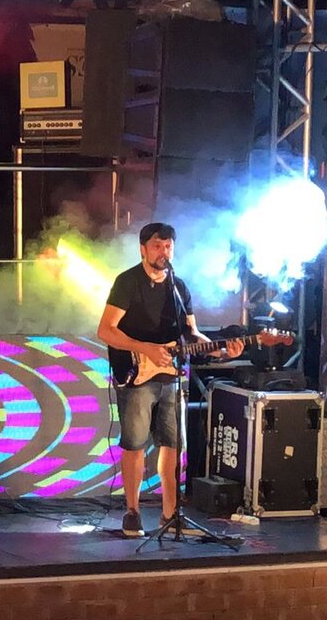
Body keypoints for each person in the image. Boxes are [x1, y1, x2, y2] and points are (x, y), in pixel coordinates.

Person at [96, 222, 242, 538]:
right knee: (135, 444)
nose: (163, 252)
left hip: (172, 376)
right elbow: (106, 330)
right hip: (136, 374)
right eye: (157, 246)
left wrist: (220, 351)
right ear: (143, 249)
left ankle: (170, 513)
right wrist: (144, 348)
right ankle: (132, 512)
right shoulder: (127, 282)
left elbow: (192, 334)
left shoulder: (178, 287)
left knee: (173, 445)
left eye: (168, 247)